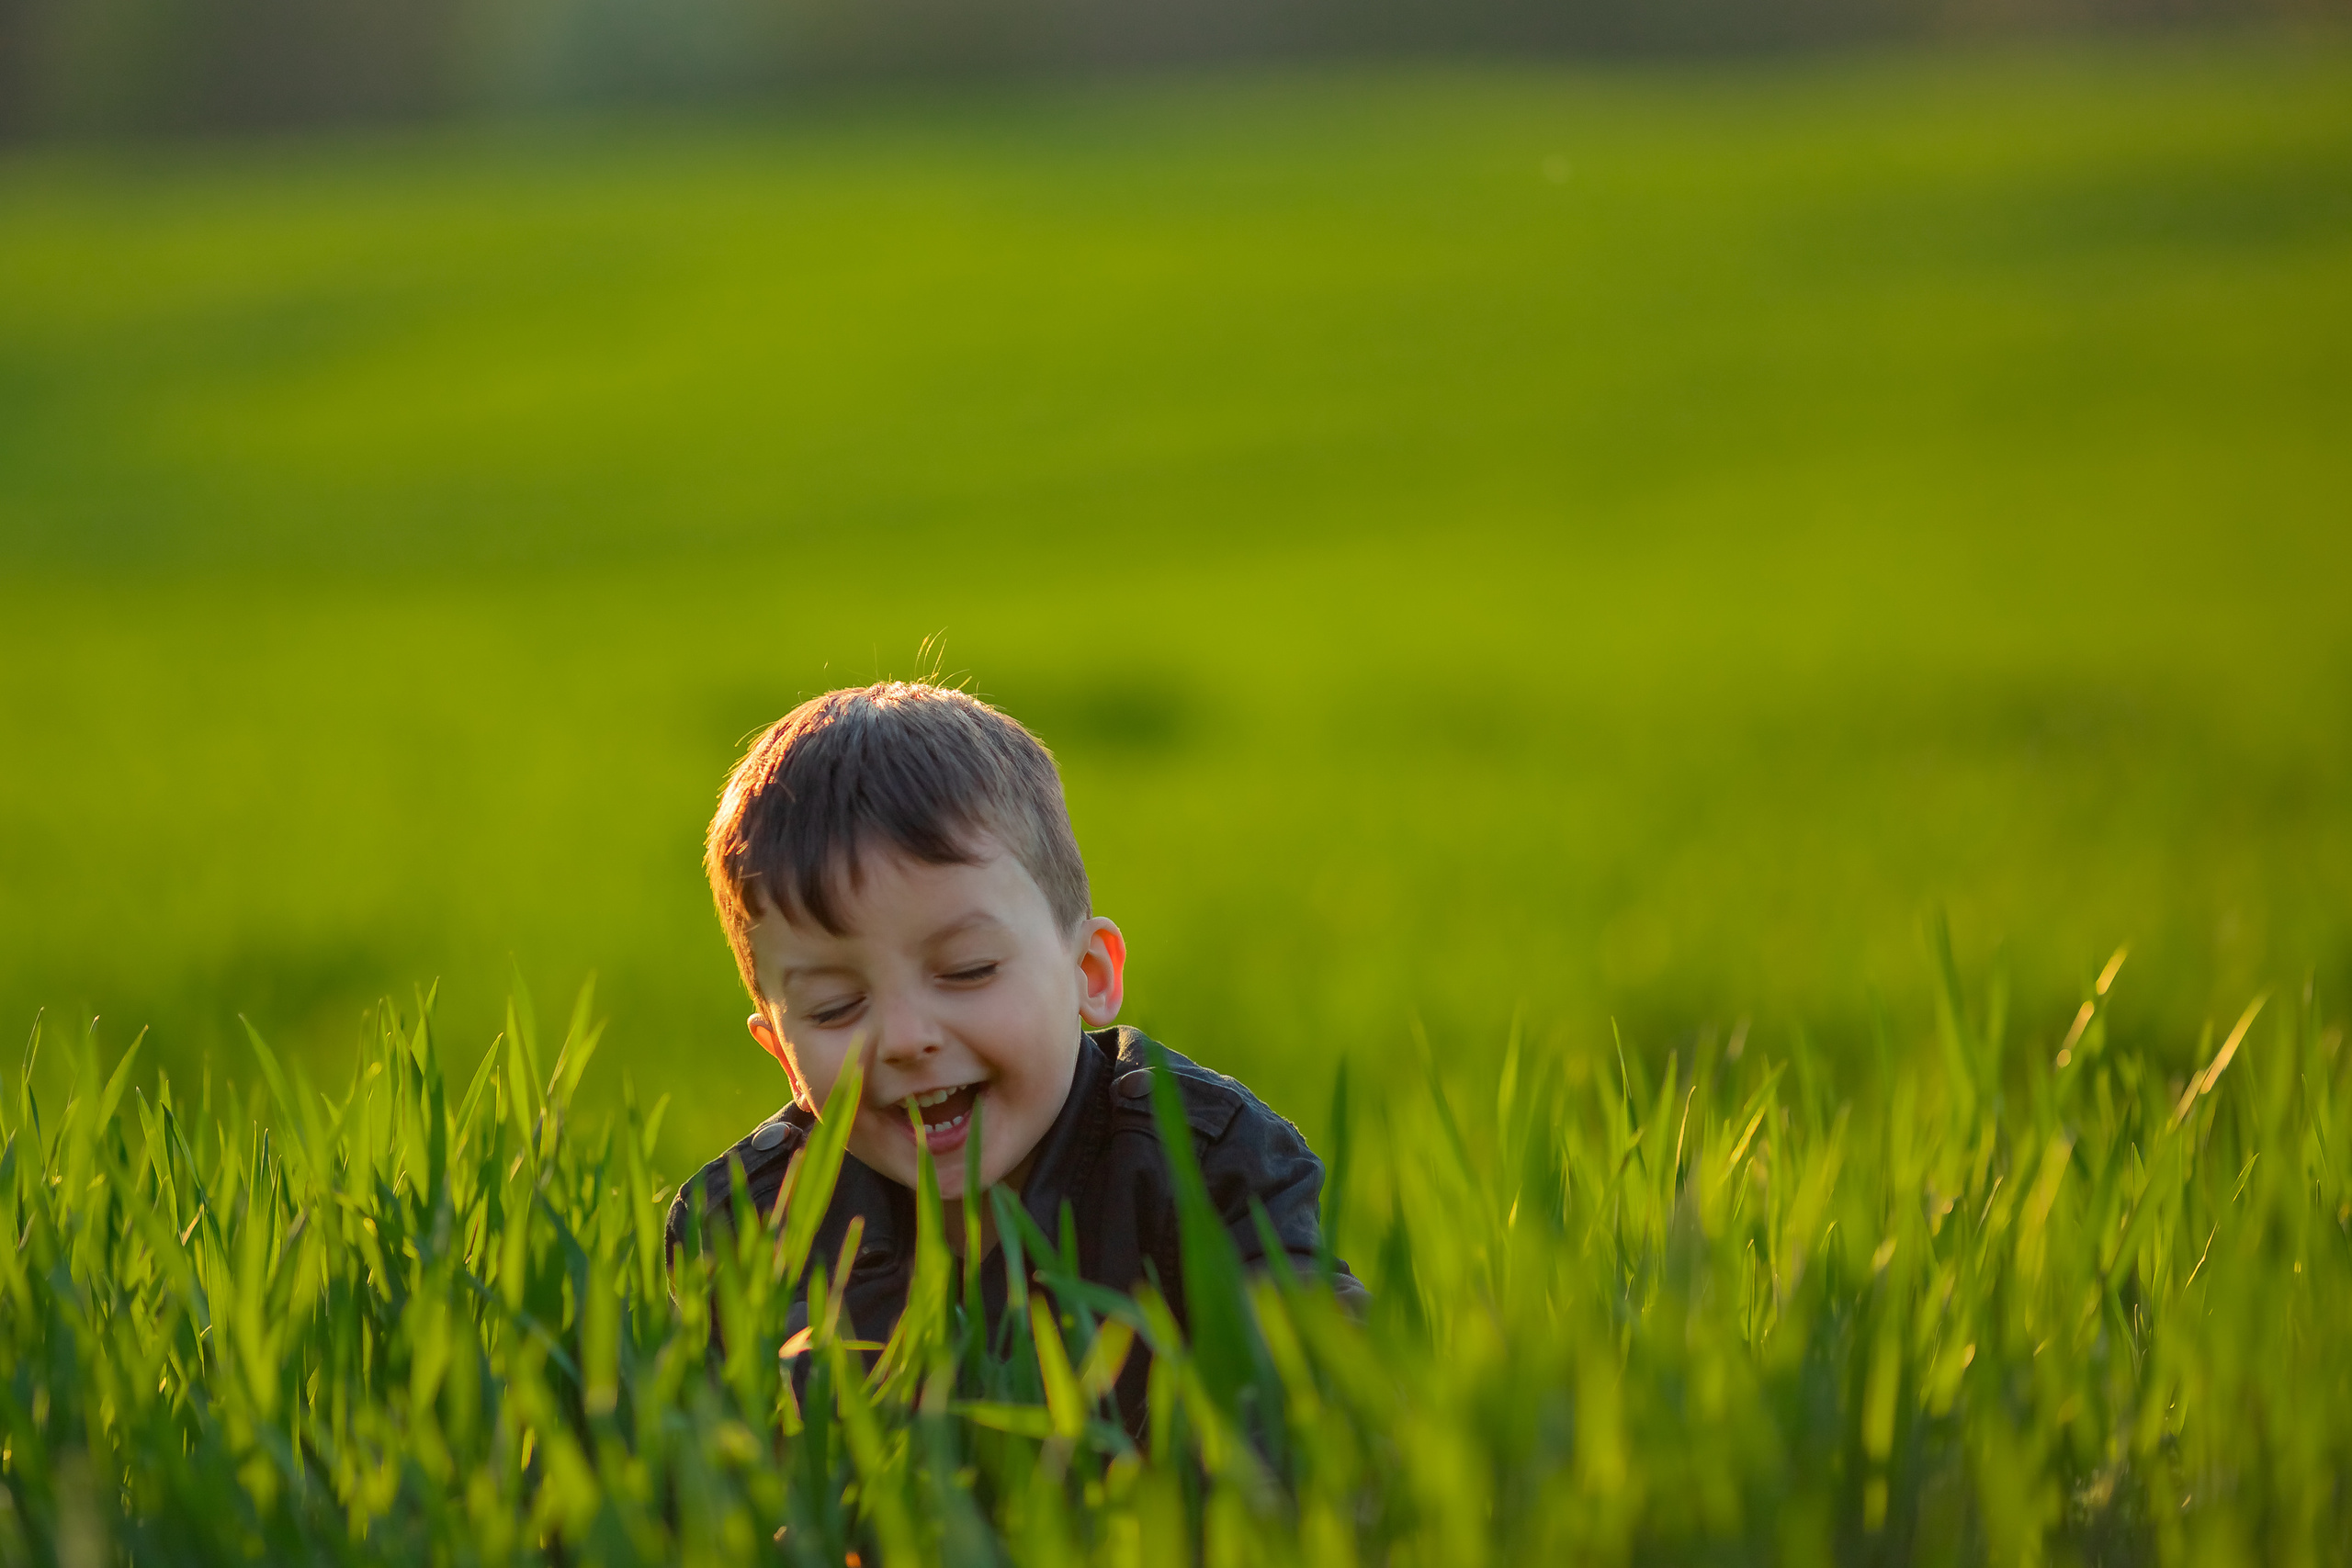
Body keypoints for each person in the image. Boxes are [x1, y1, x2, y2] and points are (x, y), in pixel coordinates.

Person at [665, 681, 1363, 1424]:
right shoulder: (747, 1227)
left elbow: (1342, 1413)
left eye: (967, 970)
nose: (905, 1039)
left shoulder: (1205, 1171)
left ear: (1089, 974)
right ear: (782, 1053)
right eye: (836, 1008)